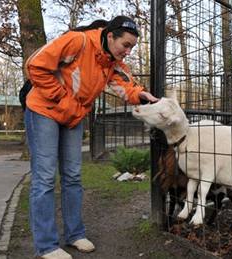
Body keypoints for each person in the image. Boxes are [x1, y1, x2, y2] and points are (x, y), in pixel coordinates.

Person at [24, 16, 158, 259]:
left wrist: (141, 96)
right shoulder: (79, 41)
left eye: (132, 47)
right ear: (110, 36)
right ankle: (46, 246)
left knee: (73, 176)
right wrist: (63, 100)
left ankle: (75, 234)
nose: (127, 51)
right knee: (44, 178)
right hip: (44, 110)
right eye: (125, 45)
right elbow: (35, 65)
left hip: (72, 117)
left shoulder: (110, 62)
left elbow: (124, 87)